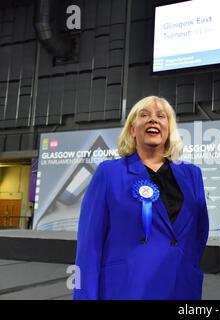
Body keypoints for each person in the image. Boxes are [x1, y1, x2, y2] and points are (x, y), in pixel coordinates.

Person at [74, 96, 209, 300]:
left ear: (169, 129)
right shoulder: (109, 174)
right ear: (132, 129)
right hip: (127, 289)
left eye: (160, 116)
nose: (152, 120)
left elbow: (199, 235)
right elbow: (88, 248)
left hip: (181, 288)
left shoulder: (192, 175)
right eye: (144, 115)